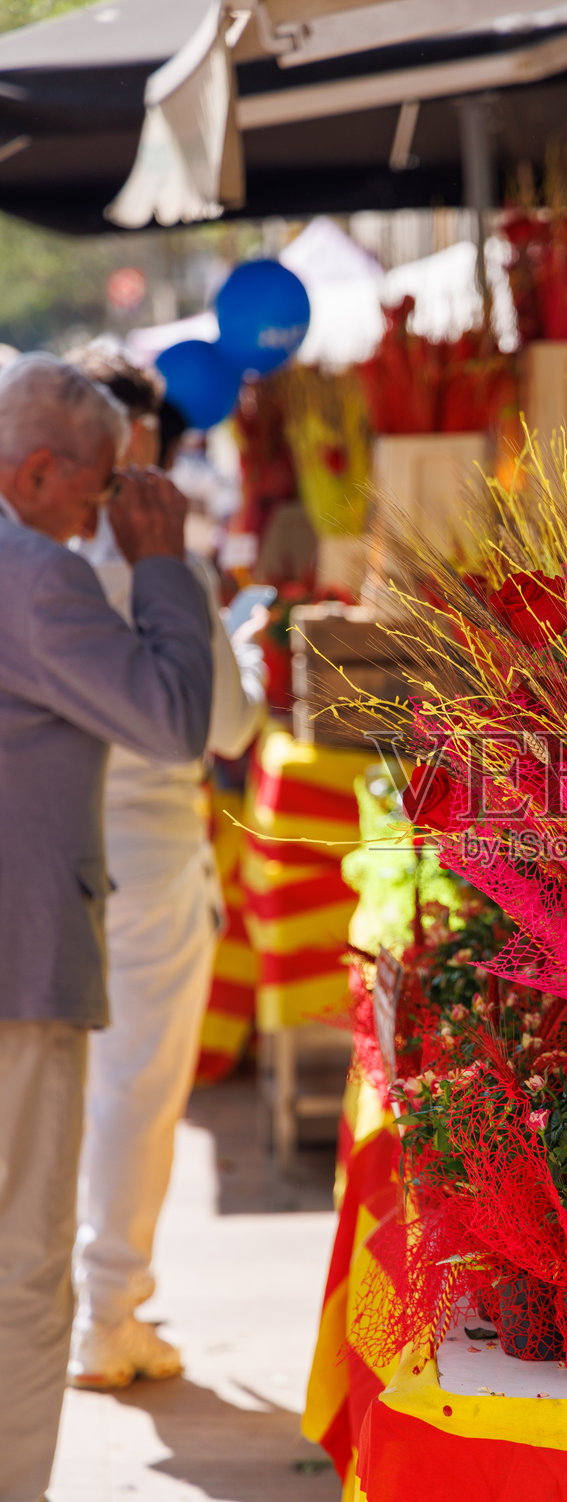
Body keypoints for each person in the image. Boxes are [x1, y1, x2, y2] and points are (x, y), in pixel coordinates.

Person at [0, 353, 213, 1502]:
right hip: (21, 960)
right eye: (96, 487)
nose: (107, 506)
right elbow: (177, 718)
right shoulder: (40, 577)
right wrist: (161, 559)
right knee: (28, 1256)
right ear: (35, 471)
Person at [64, 348, 266, 1391]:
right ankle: (109, 1311)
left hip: (49, 855)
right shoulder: (157, 557)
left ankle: (74, 1306)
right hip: (143, 855)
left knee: (64, 1092)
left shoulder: (38, 549)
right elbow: (223, 725)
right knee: (136, 1095)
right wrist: (238, 645)